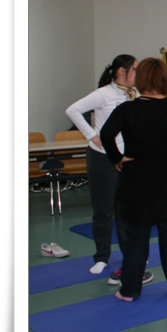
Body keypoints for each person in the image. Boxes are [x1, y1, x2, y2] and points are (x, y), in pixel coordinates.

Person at [99, 57, 167, 301]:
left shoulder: (127, 109)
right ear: (165, 81)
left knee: (136, 239)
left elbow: (105, 135)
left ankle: (129, 290)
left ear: (140, 80)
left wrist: (117, 158)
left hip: (136, 180)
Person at [65, 54, 140, 277]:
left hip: (127, 158)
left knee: (126, 210)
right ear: (121, 71)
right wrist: (92, 135)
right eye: (134, 69)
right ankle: (101, 257)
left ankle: (130, 254)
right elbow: (72, 110)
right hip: (103, 158)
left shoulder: (134, 94)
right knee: (103, 211)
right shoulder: (103, 94)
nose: (137, 73)